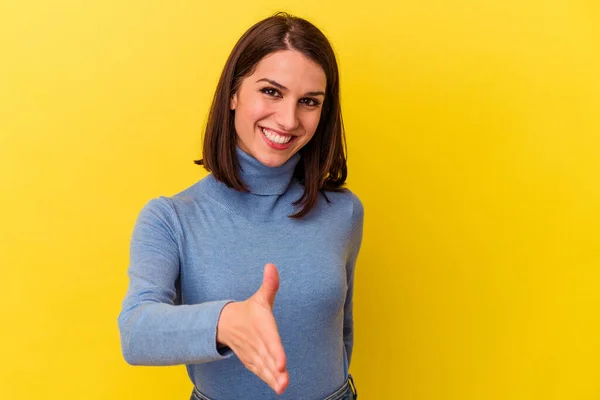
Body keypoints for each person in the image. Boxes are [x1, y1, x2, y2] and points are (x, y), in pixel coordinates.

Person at [117, 12, 364, 400]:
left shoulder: (344, 212)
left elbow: (340, 328)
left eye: (309, 102)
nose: (287, 119)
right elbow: (135, 331)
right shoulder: (171, 217)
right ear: (234, 93)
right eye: (271, 91)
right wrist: (226, 321)